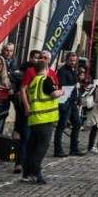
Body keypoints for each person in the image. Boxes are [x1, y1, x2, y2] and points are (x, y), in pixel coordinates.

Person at [22, 54, 62, 184]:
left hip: (35, 118)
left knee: (32, 146)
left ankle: (27, 172)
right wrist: (61, 92)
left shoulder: (34, 82)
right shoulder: (46, 80)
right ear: (46, 68)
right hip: (45, 118)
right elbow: (54, 94)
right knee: (41, 147)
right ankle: (35, 172)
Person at [54, 52, 83, 157]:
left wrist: (79, 99)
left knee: (77, 123)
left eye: (74, 61)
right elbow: (62, 86)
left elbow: (76, 86)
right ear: (67, 60)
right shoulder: (62, 71)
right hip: (65, 102)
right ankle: (58, 150)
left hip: (73, 102)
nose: (73, 62)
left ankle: (73, 148)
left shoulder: (74, 70)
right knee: (61, 125)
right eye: (71, 60)